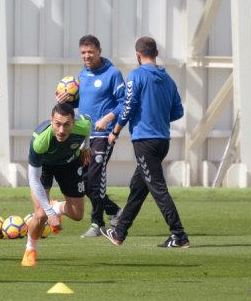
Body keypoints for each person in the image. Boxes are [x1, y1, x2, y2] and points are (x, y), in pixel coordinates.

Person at [100, 36, 189, 248]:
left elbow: (129, 106)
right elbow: (178, 111)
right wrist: (157, 115)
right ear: (156, 53)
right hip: (162, 141)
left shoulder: (136, 76)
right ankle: (119, 232)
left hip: (144, 140)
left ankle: (179, 235)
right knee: (138, 187)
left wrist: (116, 130)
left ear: (138, 55)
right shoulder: (168, 80)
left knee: (158, 188)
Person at [57, 35, 124, 238]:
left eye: (90, 52)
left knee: (94, 179)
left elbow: (124, 103)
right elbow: (82, 103)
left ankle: (97, 223)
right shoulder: (82, 75)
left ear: (99, 51)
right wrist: (64, 101)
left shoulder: (113, 74)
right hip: (83, 136)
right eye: (83, 53)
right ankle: (113, 210)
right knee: (82, 181)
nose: (86, 56)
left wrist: (107, 119)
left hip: (104, 135)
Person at [22, 103, 92, 266]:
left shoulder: (83, 126)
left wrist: (86, 147)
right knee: (40, 215)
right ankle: (30, 250)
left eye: (66, 125)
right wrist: (49, 213)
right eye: (57, 124)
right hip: (44, 168)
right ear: (51, 121)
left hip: (70, 164)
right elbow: (33, 179)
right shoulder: (40, 141)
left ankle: (56, 206)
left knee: (77, 215)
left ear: (73, 123)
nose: (61, 130)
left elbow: (88, 123)